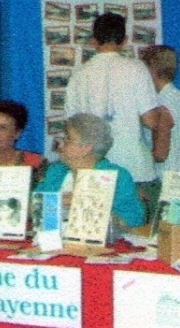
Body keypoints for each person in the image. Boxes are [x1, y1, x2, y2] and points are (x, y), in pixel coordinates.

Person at [64, 12, 162, 220]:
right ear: (125, 41)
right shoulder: (137, 69)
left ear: (93, 41)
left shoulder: (79, 74)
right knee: (140, 233)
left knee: (95, 232)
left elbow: (71, 125)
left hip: (93, 167)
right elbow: (152, 122)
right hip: (135, 167)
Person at [35, 113, 145, 229]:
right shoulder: (56, 170)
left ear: (86, 148)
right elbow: (33, 207)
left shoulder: (115, 176)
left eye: (67, 139)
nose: (59, 143)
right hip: (52, 239)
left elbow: (134, 221)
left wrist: (84, 204)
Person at [139, 45, 180, 218]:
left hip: (173, 181)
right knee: (173, 235)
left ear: (152, 68)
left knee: (170, 236)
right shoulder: (176, 96)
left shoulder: (164, 103)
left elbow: (160, 153)